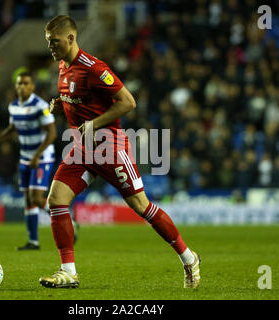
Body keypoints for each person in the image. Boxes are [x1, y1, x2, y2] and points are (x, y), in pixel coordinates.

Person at [38, 15, 200, 289]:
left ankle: (188, 257)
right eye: (48, 43)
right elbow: (81, 102)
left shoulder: (93, 67)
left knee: (141, 206)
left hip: (109, 147)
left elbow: (128, 102)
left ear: (70, 38)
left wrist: (95, 123)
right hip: (83, 149)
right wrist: (60, 107)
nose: (51, 48)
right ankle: (68, 272)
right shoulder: (63, 66)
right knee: (56, 200)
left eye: (54, 42)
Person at [0, 72, 57, 250]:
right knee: (27, 199)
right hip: (26, 157)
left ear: (32, 86)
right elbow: (12, 129)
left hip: (42, 156)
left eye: (26, 83)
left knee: (36, 197)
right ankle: (33, 241)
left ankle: (66, 218)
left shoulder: (40, 106)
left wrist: (37, 155)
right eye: (19, 84)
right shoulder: (14, 107)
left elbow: (52, 133)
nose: (22, 87)